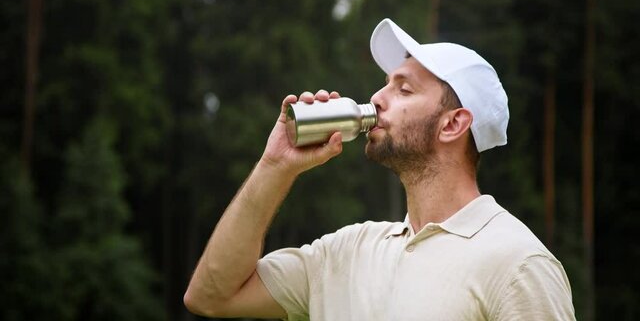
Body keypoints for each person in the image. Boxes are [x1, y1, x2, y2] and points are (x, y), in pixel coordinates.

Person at [184, 18, 576, 320]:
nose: (376, 98)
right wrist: (275, 166)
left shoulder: (517, 264)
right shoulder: (345, 252)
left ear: (453, 124)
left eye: (403, 89)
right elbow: (210, 296)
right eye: (385, 83)